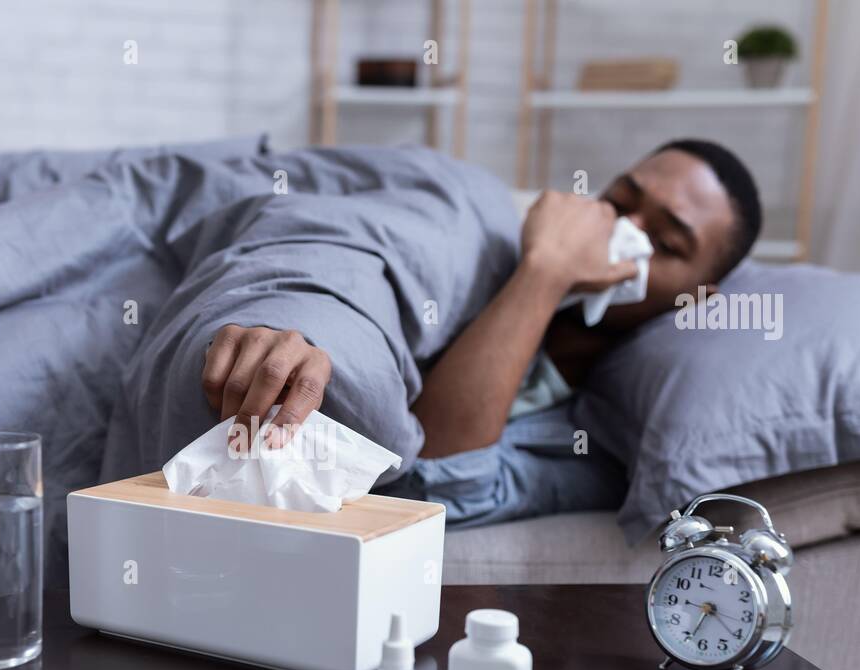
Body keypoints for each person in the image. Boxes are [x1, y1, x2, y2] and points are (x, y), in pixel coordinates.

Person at [196, 139, 763, 523]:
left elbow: (429, 479)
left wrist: (547, 273)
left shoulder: (601, 437)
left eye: (665, 245)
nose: (625, 233)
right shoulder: (488, 255)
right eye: (619, 202)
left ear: (696, 295)